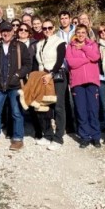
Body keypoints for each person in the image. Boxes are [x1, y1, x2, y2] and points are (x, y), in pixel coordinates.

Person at [0, 22, 30, 151]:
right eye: (3, 31)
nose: (6, 33)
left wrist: (17, 75)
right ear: (0, 32)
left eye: (8, 31)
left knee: (16, 113)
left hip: (14, 85)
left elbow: (27, 64)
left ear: (13, 32)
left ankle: (18, 139)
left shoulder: (21, 46)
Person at [66, 24, 101, 147]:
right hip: (77, 82)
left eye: (83, 32)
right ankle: (84, 136)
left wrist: (85, 48)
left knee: (93, 110)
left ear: (87, 33)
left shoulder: (92, 44)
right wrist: (87, 59)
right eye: (78, 32)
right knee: (81, 110)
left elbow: (96, 56)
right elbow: (71, 63)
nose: (81, 35)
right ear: (75, 33)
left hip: (92, 82)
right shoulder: (70, 46)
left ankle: (96, 136)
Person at [35, 19, 67, 150]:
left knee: (59, 107)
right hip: (43, 76)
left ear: (53, 28)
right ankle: (47, 134)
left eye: (49, 28)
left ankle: (58, 138)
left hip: (57, 76)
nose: (47, 30)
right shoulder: (40, 43)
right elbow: (39, 61)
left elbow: (60, 60)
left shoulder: (59, 42)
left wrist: (51, 74)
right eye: (44, 28)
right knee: (44, 106)